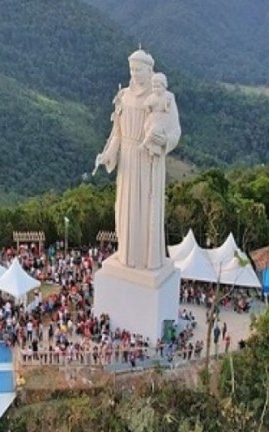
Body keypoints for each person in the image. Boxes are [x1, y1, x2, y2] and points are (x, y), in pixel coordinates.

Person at [95, 49, 181, 270]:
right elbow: (118, 133)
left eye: (139, 70)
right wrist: (108, 153)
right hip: (127, 159)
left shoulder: (163, 98)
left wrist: (163, 140)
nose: (134, 73)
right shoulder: (123, 96)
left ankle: (145, 257)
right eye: (131, 69)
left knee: (145, 209)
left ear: (149, 70)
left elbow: (175, 131)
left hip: (148, 160)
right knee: (125, 208)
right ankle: (127, 254)